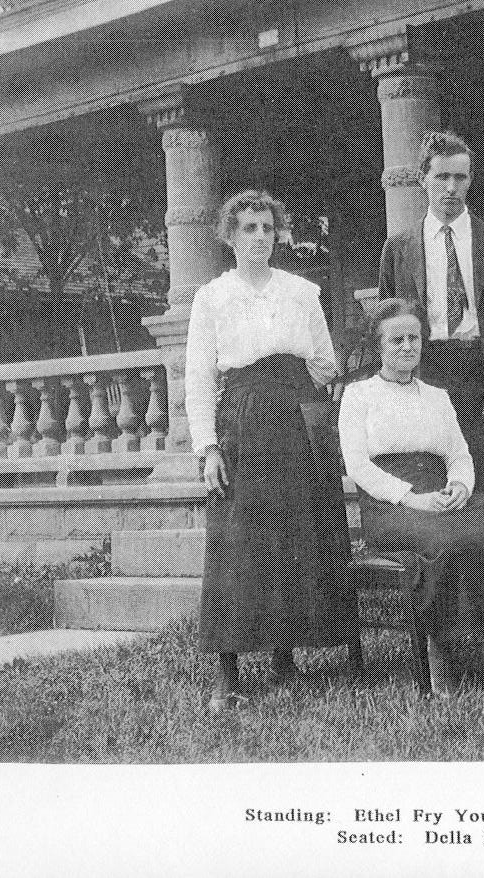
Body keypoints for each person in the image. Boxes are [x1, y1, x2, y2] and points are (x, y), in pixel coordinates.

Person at [184, 190, 360, 714]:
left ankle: (286, 655)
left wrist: (329, 376)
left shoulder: (302, 291)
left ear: (277, 234)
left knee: (294, 535)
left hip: (298, 423)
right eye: (248, 229)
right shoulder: (211, 297)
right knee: (237, 543)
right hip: (242, 423)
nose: (259, 237)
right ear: (230, 237)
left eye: (266, 228)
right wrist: (207, 448)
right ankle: (227, 669)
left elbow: (325, 364)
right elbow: (198, 378)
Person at [339, 299, 484, 695]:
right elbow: (358, 465)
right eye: (397, 340)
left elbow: (459, 454)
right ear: (379, 348)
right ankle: (442, 647)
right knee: (450, 544)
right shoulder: (359, 397)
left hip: (445, 492)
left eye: (414, 338)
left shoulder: (438, 397)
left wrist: (461, 485)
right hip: (391, 503)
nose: (408, 346)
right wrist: (410, 498)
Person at [377, 131, 484, 509]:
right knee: (437, 488)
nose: (451, 188)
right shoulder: (399, 248)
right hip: (428, 372)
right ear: (422, 179)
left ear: (470, 180)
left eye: (460, 178)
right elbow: (387, 327)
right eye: (441, 177)